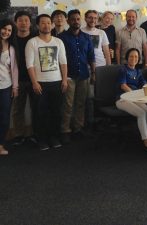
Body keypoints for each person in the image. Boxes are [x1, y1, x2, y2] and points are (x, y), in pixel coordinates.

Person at [25, 14, 68, 150]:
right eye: (43, 23)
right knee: (40, 112)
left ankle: (54, 137)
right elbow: (29, 65)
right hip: (40, 83)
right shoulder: (32, 42)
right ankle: (41, 139)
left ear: (52, 24)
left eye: (49, 23)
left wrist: (65, 80)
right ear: (38, 25)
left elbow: (63, 62)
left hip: (57, 82)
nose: (46, 25)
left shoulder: (58, 42)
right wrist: (34, 82)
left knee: (56, 112)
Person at [58, 9, 96, 144]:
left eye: (78, 19)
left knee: (80, 104)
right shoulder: (61, 38)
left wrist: (93, 73)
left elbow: (91, 57)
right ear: (68, 21)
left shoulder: (87, 37)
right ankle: (65, 130)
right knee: (67, 105)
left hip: (84, 75)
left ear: (81, 20)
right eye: (73, 19)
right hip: (68, 76)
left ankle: (78, 129)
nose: (76, 21)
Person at [115, 48, 147, 148]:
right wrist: (134, 95)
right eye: (131, 56)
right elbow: (123, 86)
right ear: (127, 58)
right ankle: (146, 141)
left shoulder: (138, 71)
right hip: (122, 99)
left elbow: (144, 83)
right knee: (141, 113)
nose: (133, 58)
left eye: (136, 56)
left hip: (134, 99)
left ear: (139, 59)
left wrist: (146, 87)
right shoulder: (123, 70)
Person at [11, 11, 37, 145]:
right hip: (17, 80)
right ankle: (18, 134)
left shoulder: (35, 38)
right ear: (16, 22)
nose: (23, 23)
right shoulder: (11, 38)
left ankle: (34, 133)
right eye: (20, 20)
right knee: (17, 109)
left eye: (26, 20)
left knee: (36, 107)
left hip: (35, 80)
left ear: (30, 23)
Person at [0, 20, 19, 156]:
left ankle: (0, 145)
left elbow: (14, 69)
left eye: (9, 30)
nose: (6, 32)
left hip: (6, 87)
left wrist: (15, 87)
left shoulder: (12, 48)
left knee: (4, 117)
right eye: (4, 29)